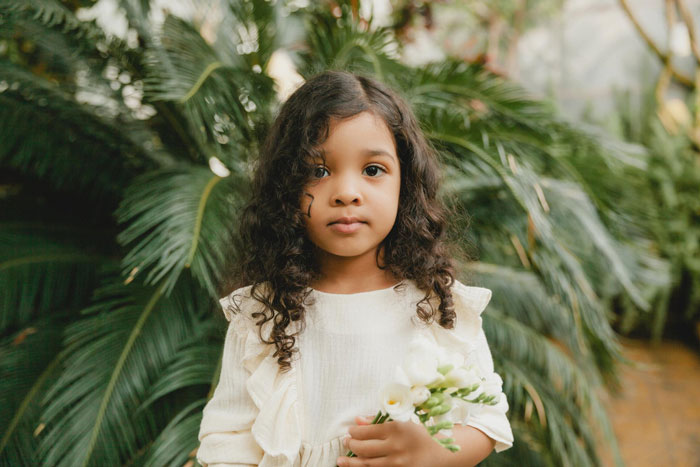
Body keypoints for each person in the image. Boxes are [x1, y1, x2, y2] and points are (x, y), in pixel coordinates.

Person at [196, 70, 514, 467]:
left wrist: (427, 451)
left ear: (406, 182)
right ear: (287, 187)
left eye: (373, 170)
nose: (347, 193)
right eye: (318, 171)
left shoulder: (438, 305)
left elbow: (489, 422)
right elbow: (227, 439)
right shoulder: (262, 313)